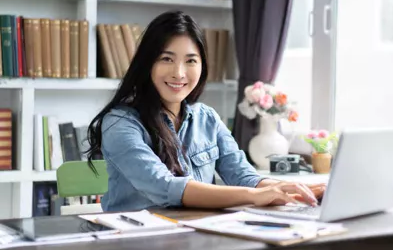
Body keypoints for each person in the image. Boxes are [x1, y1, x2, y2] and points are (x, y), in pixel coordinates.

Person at [86, 11, 325, 212]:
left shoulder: (207, 118)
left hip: (196, 238)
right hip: (133, 245)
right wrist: (254, 196)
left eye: (191, 61)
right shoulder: (120, 123)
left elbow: (244, 176)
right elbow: (165, 187)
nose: (179, 73)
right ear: (147, 63)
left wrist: (284, 188)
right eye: (167, 59)